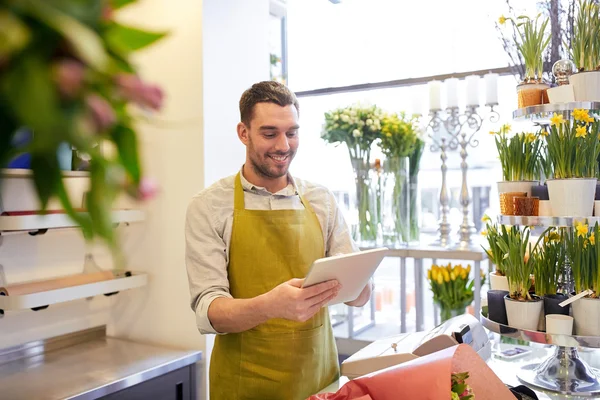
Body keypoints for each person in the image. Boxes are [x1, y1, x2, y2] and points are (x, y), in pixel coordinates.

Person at [185, 80, 372, 400]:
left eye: (292, 132)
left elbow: (358, 293)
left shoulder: (321, 200)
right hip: (245, 382)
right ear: (243, 133)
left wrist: (360, 285)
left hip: (318, 379)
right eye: (270, 133)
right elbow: (209, 311)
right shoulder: (209, 207)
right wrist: (270, 306)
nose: (284, 145)